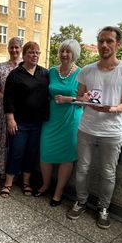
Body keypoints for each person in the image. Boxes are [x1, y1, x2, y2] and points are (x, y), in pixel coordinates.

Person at [66, 26, 122, 229]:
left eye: (109, 41)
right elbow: (80, 96)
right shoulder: (87, 70)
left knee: (108, 172)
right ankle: (81, 201)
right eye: (101, 41)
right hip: (87, 128)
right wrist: (85, 98)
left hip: (112, 131)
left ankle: (103, 208)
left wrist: (115, 108)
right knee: (82, 169)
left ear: (118, 44)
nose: (104, 45)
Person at [0, 41, 49, 198]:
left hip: (37, 122)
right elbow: (8, 98)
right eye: (31, 52)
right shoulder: (15, 74)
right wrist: (10, 119)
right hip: (19, 122)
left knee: (31, 153)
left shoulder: (44, 73)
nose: (34, 55)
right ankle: (8, 183)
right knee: (16, 152)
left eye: (37, 52)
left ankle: (26, 183)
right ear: (24, 54)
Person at [39, 39, 83, 205]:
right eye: (62, 51)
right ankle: (45, 185)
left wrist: (68, 99)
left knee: (67, 157)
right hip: (51, 118)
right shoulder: (51, 71)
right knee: (45, 152)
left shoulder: (81, 73)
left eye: (68, 51)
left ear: (74, 54)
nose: (64, 54)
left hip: (70, 119)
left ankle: (58, 191)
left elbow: (84, 100)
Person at [0, 37, 22, 178]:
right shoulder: (1, 67)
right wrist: (7, 100)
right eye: (11, 47)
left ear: (21, 49)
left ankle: (14, 171)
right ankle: (0, 169)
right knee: (2, 138)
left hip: (20, 111)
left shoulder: (25, 67)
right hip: (2, 109)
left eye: (17, 47)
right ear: (8, 49)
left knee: (16, 140)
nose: (14, 50)